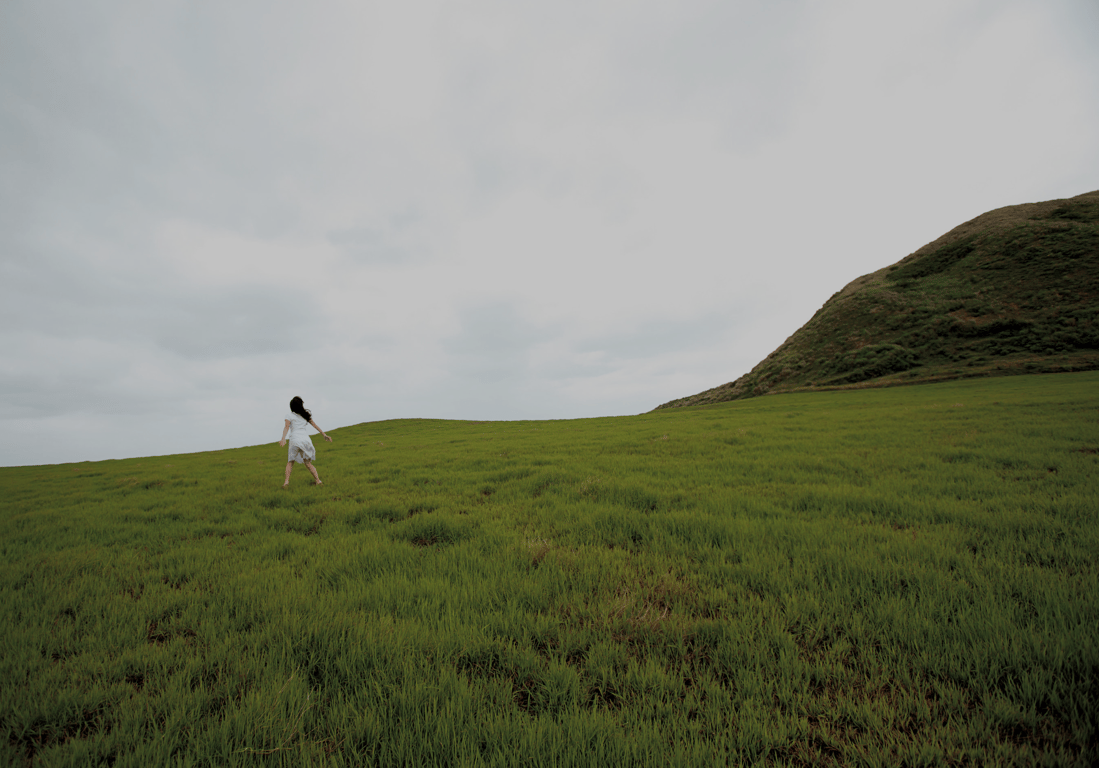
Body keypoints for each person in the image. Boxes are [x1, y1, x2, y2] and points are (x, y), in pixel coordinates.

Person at [278, 396, 333, 488]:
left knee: (290, 462)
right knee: (307, 462)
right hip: (306, 440)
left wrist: (283, 438)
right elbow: (315, 425)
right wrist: (324, 434)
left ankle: (286, 482)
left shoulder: (289, 415)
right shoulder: (305, 415)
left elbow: (287, 427)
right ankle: (318, 481)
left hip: (295, 440)